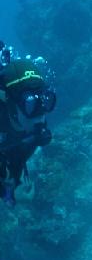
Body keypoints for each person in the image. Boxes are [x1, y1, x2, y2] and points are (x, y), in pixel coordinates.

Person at [0, 54, 55, 204]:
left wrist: (14, 186)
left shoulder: (31, 122)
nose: (41, 114)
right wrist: (7, 195)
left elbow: (15, 158)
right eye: (30, 104)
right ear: (9, 105)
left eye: (45, 99)